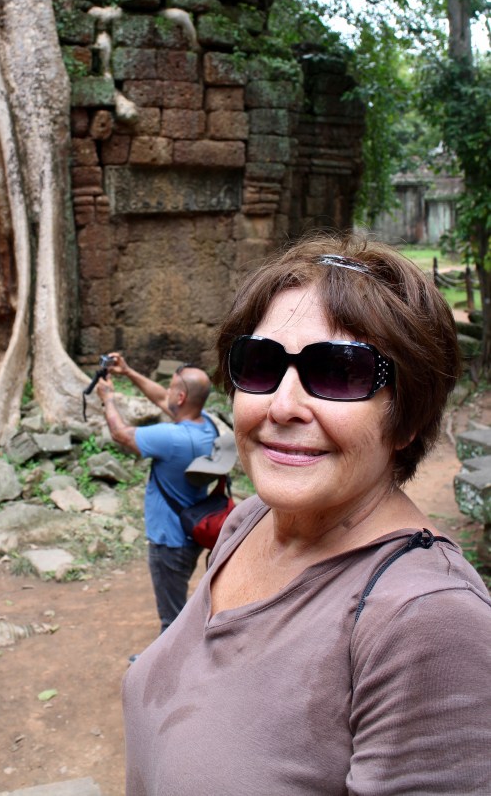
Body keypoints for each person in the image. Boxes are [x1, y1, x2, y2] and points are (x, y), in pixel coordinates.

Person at [122, 232, 491, 795]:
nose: (283, 405)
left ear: (408, 418)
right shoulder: (251, 522)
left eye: (339, 372)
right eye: (260, 363)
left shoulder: (428, 623)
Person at [96, 353, 218, 633]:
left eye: (172, 387)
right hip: (188, 532)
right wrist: (128, 372)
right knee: (175, 605)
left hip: (169, 541)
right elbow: (163, 399)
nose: (167, 392)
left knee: (171, 618)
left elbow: (121, 434)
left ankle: (167, 672)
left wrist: (108, 399)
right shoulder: (206, 425)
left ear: (181, 397)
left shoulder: (172, 438)